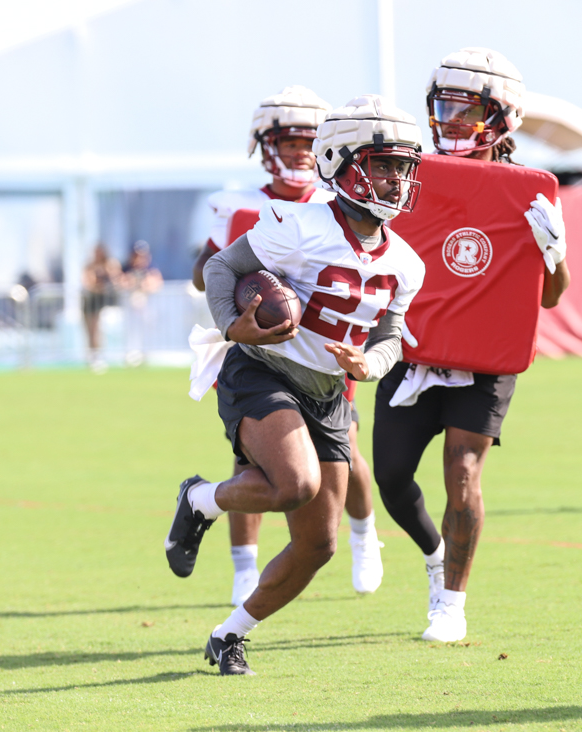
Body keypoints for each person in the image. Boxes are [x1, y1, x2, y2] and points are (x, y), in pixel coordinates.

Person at [164, 95, 425, 675]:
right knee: (295, 484)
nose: (396, 179)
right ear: (340, 159)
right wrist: (236, 325)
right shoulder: (297, 226)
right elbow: (219, 269)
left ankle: (228, 633)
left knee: (317, 546)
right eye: (383, 164)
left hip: (328, 390)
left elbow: (392, 335)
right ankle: (200, 500)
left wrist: (369, 365)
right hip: (264, 370)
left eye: (404, 167)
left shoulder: (408, 261)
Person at [371, 48, 571, 643]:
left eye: (468, 106)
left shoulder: (529, 193)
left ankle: (452, 603)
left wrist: (553, 255)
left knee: (462, 469)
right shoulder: (412, 174)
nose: (452, 118)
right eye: (445, 104)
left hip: (484, 357)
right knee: (391, 479)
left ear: (503, 117)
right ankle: (436, 554)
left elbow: (552, 297)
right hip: (413, 350)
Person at [190, 86, 386, 604]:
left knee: (350, 460)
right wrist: (243, 299)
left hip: (325, 351)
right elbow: (203, 274)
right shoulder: (240, 204)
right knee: (250, 463)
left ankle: (365, 535)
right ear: (263, 143)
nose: (299, 151)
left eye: (307, 141)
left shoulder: (337, 205)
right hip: (262, 353)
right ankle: (243, 569)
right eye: (287, 140)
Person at [122, 240, 163, 366]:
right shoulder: (127, 268)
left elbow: (156, 283)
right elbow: (122, 282)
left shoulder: (150, 267)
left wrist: (143, 285)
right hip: (129, 306)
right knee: (131, 330)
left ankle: (146, 354)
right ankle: (132, 354)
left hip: (147, 304)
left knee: (146, 329)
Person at [82, 243, 121, 372]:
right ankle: (93, 357)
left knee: (101, 330)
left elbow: (117, 278)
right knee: (91, 331)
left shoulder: (110, 264)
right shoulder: (90, 266)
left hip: (105, 302)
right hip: (91, 302)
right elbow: (89, 282)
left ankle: (102, 356)